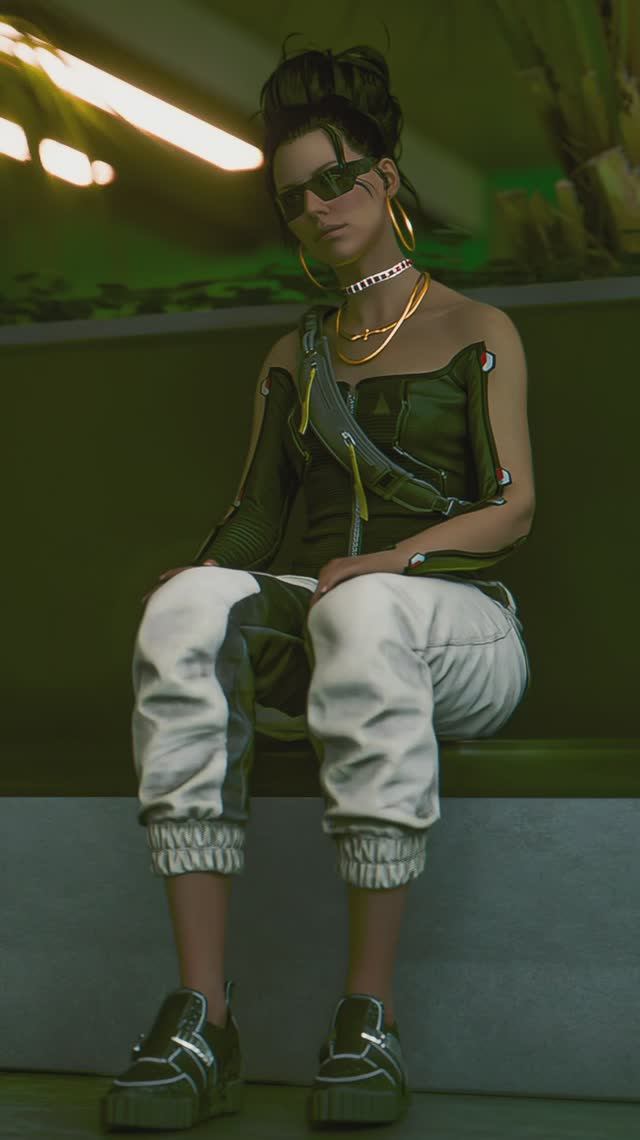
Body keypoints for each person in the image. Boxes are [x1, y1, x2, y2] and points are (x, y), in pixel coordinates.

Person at [102, 32, 534, 1133]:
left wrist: (390, 561)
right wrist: (201, 580)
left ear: (384, 179)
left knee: (364, 606)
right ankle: (203, 1016)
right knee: (188, 610)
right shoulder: (295, 356)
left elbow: (511, 507)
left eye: (335, 180)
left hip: (462, 632)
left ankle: (368, 1016)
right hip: (338, 623)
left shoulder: (475, 330)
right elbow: (254, 516)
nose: (316, 208)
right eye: (294, 197)